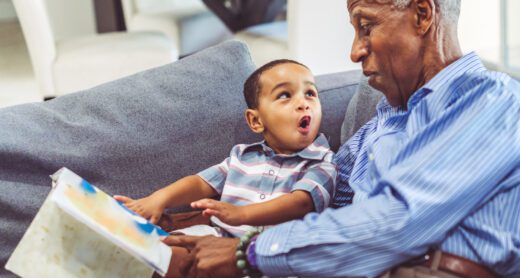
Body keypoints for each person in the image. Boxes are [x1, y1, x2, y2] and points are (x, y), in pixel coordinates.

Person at [162, 0, 520, 277]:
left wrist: (249, 252)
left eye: (366, 26)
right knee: (167, 258)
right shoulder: (381, 125)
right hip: (353, 267)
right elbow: (315, 196)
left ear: (423, 15)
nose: (355, 51)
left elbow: (395, 223)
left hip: (425, 269)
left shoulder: (492, 100)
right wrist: (217, 223)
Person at [115, 59, 336, 238]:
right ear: (256, 121)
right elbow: (200, 183)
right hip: (218, 235)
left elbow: (301, 203)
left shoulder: (322, 162)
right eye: (285, 95)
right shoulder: (242, 156)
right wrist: (158, 199)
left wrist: (241, 214)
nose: (303, 103)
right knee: (166, 245)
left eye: (310, 93)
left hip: (270, 254)